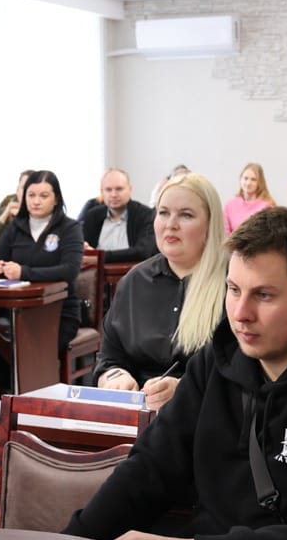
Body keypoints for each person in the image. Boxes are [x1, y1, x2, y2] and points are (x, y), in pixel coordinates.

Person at [64, 207, 287, 540]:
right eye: (234, 289)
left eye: (263, 295)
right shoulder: (212, 365)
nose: (241, 314)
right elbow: (149, 470)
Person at [94, 173, 228, 411]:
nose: (170, 224)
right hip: (139, 412)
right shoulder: (134, 281)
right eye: (163, 213)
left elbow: (247, 369)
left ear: (210, 224)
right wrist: (115, 378)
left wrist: (184, 388)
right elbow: (109, 358)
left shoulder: (233, 283)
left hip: (207, 412)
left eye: (186, 215)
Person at [0, 170, 85, 350]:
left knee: (33, 348)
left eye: (43, 196)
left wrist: (23, 273)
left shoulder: (70, 228)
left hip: (59, 312)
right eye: (31, 195)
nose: (36, 201)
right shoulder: (14, 228)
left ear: (56, 199)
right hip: (17, 310)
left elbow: (70, 270)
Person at [82, 168, 157, 265]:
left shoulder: (146, 215)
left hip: (133, 273)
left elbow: (142, 252)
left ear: (130, 189)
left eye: (119, 189)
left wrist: (100, 257)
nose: (113, 194)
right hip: (97, 273)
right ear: (102, 191)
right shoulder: (92, 216)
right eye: (108, 190)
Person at [0, 169, 35, 249]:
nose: (26, 192)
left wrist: (22, 217)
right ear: (17, 191)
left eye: (30, 189)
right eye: (23, 188)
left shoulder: (43, 214)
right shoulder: (3, 211)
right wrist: (5, 215)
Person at [222, 162, 274, 233]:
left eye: (253, 179)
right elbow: (225, 232)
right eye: (245, 178)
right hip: (232, 240)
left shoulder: (266, 207)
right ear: (240, 179)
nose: (248, 183)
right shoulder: (230, 205)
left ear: (260, 183)